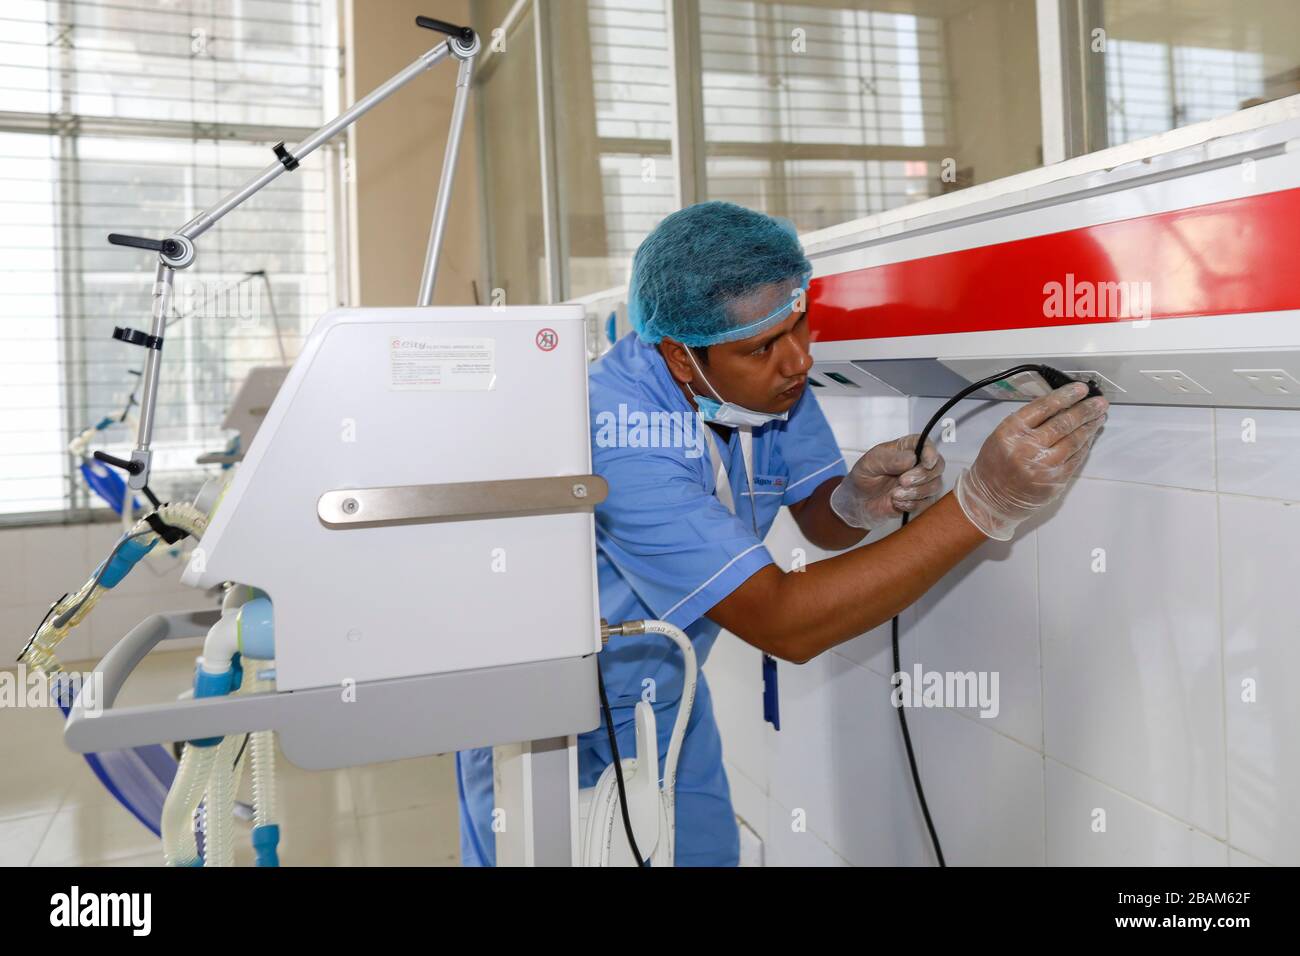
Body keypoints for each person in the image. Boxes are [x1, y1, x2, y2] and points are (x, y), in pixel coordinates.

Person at [457, 200, 1108, 866]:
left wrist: (855, 501)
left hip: (666, 690)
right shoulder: (616, 439)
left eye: (799, 326)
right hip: (542, 713)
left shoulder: (761, 383)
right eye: (764, 347)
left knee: (703, 855)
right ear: (683, 358)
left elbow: (819, 519)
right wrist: (984, 503)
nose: (797, 361)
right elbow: (783, 621)